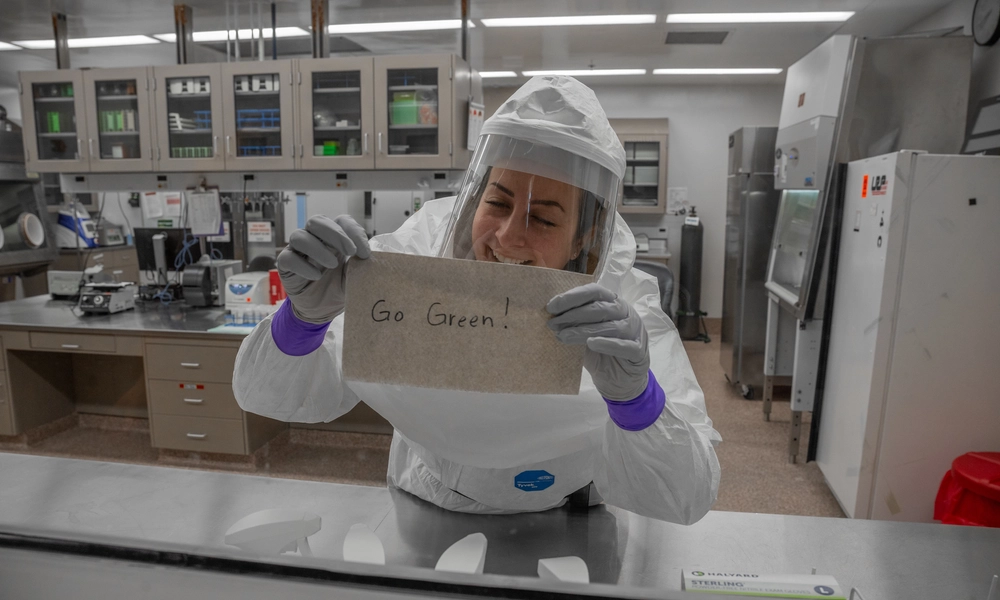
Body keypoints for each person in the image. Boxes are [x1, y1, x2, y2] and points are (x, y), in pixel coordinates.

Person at [233, 76, 721, 524]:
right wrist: (303, 321)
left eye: (545, 219)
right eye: (498, 203)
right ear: (473, 198)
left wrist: (636, 401)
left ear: (585, 238)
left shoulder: (623, 304)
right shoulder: (413, 264)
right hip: (427, 505)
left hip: (562, 519)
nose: (507, 237)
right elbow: (271, 397)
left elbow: (686, 496)